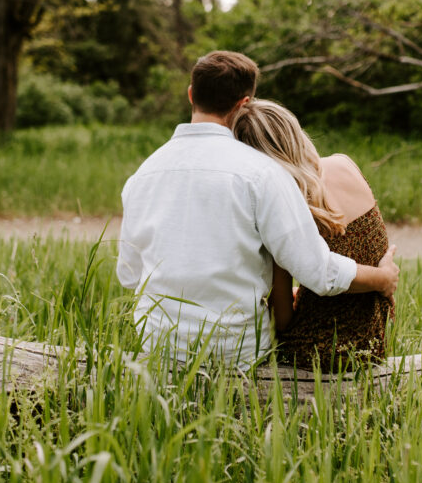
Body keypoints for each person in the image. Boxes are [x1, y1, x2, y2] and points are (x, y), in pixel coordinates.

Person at [116, 51, 398, 369]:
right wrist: (382, 278)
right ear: (244, 103)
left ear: (191, 94)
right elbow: (318, 271)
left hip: (158, 348)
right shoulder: (262, 173)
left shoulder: (142, 175)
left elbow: (129, 275)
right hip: (235, 354)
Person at [231, 100, 393, 372]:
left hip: (315, 353)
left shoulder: (287, 206)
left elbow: (282, 319)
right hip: (372, 342)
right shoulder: (344, 163)